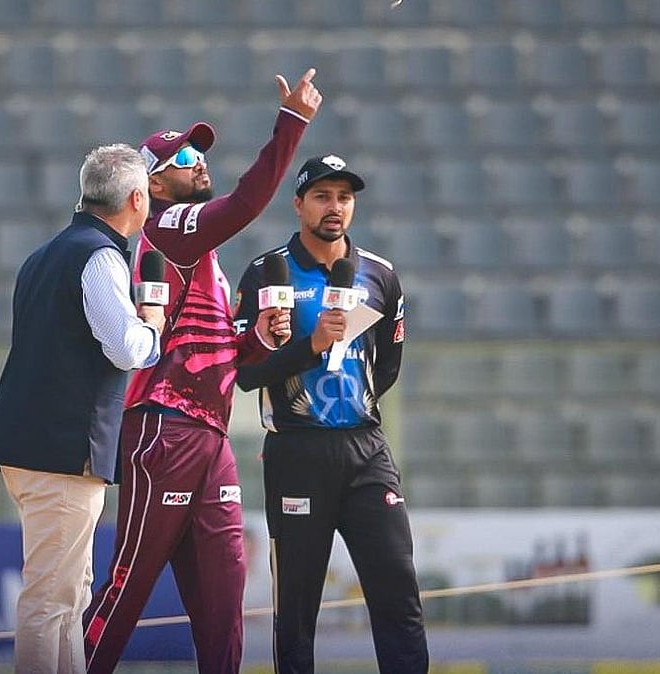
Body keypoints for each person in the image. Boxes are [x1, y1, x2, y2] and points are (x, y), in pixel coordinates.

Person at [82, 69, 321, 674]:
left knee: (223, 597)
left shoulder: (201, 253)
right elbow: (246, 202)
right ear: (153, 181)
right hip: (164, 427)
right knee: (129, 586)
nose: (200, 164)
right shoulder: (165, 226)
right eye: (186, 157)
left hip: (207, 434)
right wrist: (292, 123)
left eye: (199, 154)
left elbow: (217, 351)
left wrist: (255, 340)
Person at [233, 154, 428, 673]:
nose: (335, 206)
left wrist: (351, 405)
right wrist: (311, 347)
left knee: (398, 591)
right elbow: (246, 374)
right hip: (297, 452)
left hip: (366, 449)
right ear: (298, 204)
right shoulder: (265, 273)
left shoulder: (381, 275)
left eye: (344, 197)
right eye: (322, 195)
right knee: (296, 608)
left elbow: (386, 366)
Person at [0, 144, 165, 674]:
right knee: (50, 600)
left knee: (69, 593)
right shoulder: (98, 256)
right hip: (61, 452)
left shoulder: (43, 255)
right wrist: (151, 324)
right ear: (135, 198)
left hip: (36, 446)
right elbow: (125, 348)